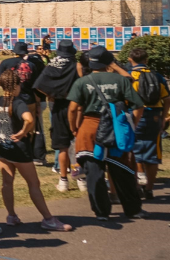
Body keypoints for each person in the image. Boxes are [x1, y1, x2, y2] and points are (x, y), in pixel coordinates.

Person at [68, 46, 144, 220]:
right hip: (116, 129)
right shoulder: (121, 80)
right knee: (122, 171)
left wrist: (74, 128)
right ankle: (133, 209)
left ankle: (101, 211)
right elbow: (138, 106)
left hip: (89, 129)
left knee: (94, 173)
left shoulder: (82, 82)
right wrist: (132, 125)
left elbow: (73, 109)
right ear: (108, 61)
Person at [0, 69, 73, 232]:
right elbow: (28, 119)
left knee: (7, 182)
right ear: (16, 85)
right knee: (33, 184)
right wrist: (23, 132)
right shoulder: (18, 102)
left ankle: (11, 215)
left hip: (0, 146)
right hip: (18, 150)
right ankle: (48, 219)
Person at [34, 39, 82, 192]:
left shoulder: (52, 64)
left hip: (57, 106)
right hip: (74, 104)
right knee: (77, 143)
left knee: (62, 146)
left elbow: (39, 84)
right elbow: (82, 83)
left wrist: (52, 94)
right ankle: (81, 178)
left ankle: (63, 180)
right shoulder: (76, 65)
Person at [126, 47, 166, 200]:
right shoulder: (157, 76)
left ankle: (136, 186)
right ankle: (149, 189)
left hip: (134, 116)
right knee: (152, 154)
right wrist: (163, 118)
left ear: (130, 60)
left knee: (132, 152)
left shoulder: (129, 76)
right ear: (146, 60)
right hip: (153, 116)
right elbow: (167, 99)